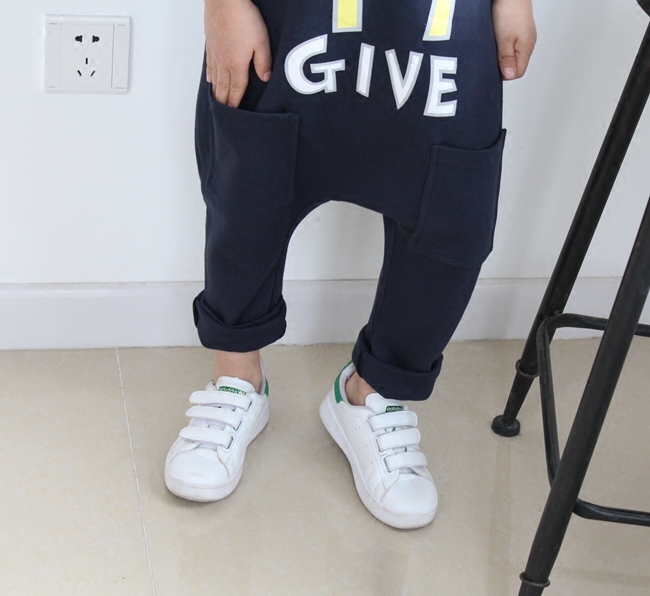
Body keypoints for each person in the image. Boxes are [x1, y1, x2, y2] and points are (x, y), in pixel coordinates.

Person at [164, 0, 536, 529]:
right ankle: (237, 376)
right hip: (289, 21)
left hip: (446, 26)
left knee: (448, 212)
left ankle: (372, 392)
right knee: (249, 190)